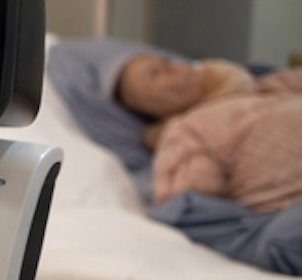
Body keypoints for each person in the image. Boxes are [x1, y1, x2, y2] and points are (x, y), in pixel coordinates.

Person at [113, 53, 302, 212]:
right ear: (150, 109)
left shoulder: (266, 87)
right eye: (155, 74)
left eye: (166, 61)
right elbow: (196, 211)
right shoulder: (187, 133)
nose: (172, 67)